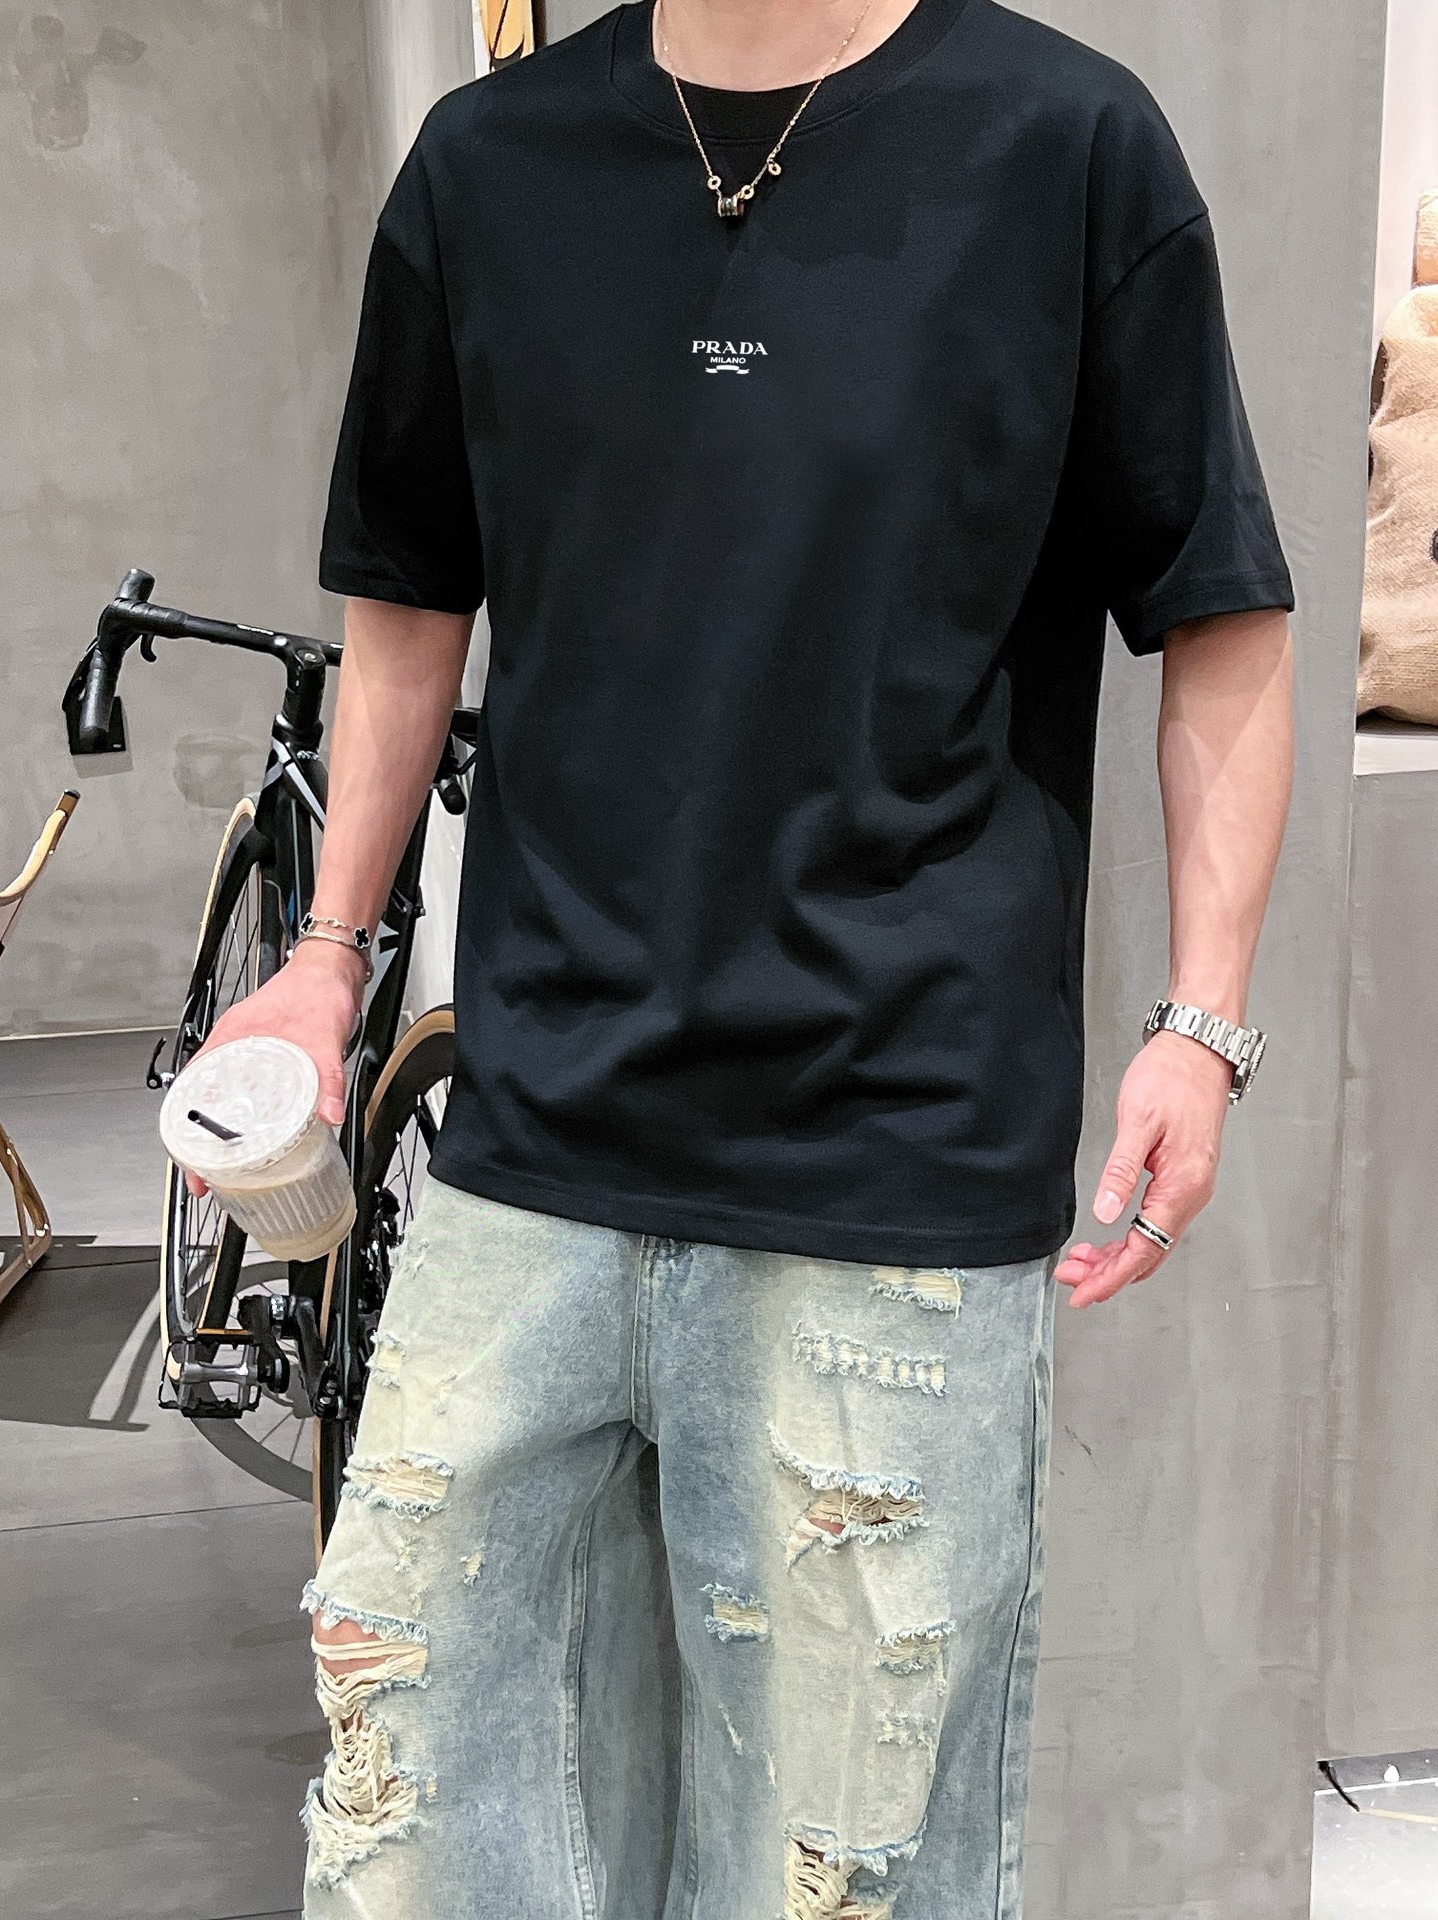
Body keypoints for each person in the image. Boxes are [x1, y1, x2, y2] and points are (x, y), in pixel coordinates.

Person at [202, 0, 1296, 1912]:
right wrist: (326, 952)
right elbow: (406, 602)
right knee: (412, 1827)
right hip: (532, 1141)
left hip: (889, 1157)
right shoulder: (490, 164)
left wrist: (1201, 1024)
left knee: (833, 1878)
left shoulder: (1062, 147)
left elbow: (1218, 616)